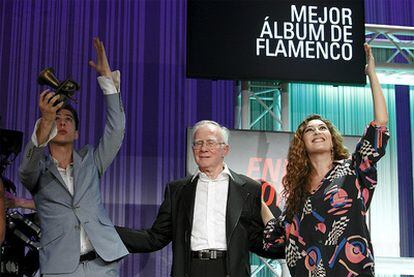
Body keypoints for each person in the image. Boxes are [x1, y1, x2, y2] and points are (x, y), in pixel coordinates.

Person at [261, 43, 389, 276]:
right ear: (302, 145)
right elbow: (275, 235)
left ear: (332, 140)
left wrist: (372, 74)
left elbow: (380, 124)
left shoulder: (354, 169)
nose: (317, 132)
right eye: (310, 130)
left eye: (322, 128)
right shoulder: (298, 195)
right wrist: (258, 201)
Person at [116, 120, 284, 277]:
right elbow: (156, 238)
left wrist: (293, 247)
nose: (203, 148)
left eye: (210, 143)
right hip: (191, 269)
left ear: (225, 149)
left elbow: (255, 239)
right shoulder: (177, 190)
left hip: (231, 270)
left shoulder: (248, 188)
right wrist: (102, 232)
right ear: (193, 149)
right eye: (198, 143)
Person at [19, 37, 128, 276]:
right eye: (57, 119)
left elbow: (116, 130)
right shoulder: (39, 170)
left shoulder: (90, 161)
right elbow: (25, 171)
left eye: (67, 119)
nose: (62, 122)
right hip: (61, 268)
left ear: (76, 132)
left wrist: (108, 82)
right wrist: (46, 121)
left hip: (103, 264)